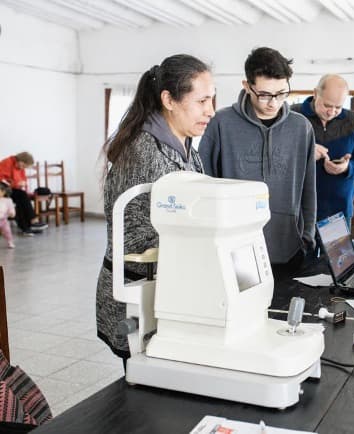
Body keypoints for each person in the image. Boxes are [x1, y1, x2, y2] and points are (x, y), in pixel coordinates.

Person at [96, 54, 215, 363]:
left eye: (211, 100)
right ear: (169, 100)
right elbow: (131, 238)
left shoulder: (186, 146)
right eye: (202, 101)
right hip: (138, 291)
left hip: (168, 288)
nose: (210, 111)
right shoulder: (142, 151)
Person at [199, 47, 316, 268]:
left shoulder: (302, 127)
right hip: (235, 249)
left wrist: (308, 234)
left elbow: (309, 187)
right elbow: (205, 183)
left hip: (289, 248)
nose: (273, 102)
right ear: (247, 86)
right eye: (264, 95)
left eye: (281, 93)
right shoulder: (221, 123)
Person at [291, 74, 354, 227]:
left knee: (336, 253)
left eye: (338, 107)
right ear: (316, 93)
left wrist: (347, 167)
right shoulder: (292, 117)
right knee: (298, 252)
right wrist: (305, 152)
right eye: (327, 105)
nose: (332, 112)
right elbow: (274, 157)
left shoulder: (353, 121)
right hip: (298, 211)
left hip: (338, 213)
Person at [0, 152, 48, 236]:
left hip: (12, 189)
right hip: (2, 189)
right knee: (21, 196)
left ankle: (26, 228)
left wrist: (23, 184)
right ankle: (32, 222)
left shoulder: (20, 166)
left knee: (22, 198)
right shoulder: (6, 162)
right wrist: (16, 184)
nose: (23, 168)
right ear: (21, 160)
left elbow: (23, 179)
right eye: (24, 166)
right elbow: (2, 180)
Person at [0, 183, 16, 248]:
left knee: (7, 231)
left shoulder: (8, 200)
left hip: (3, 220)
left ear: (3, 192)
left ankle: (10, 241)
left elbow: (11, 208)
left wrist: (12, 213)